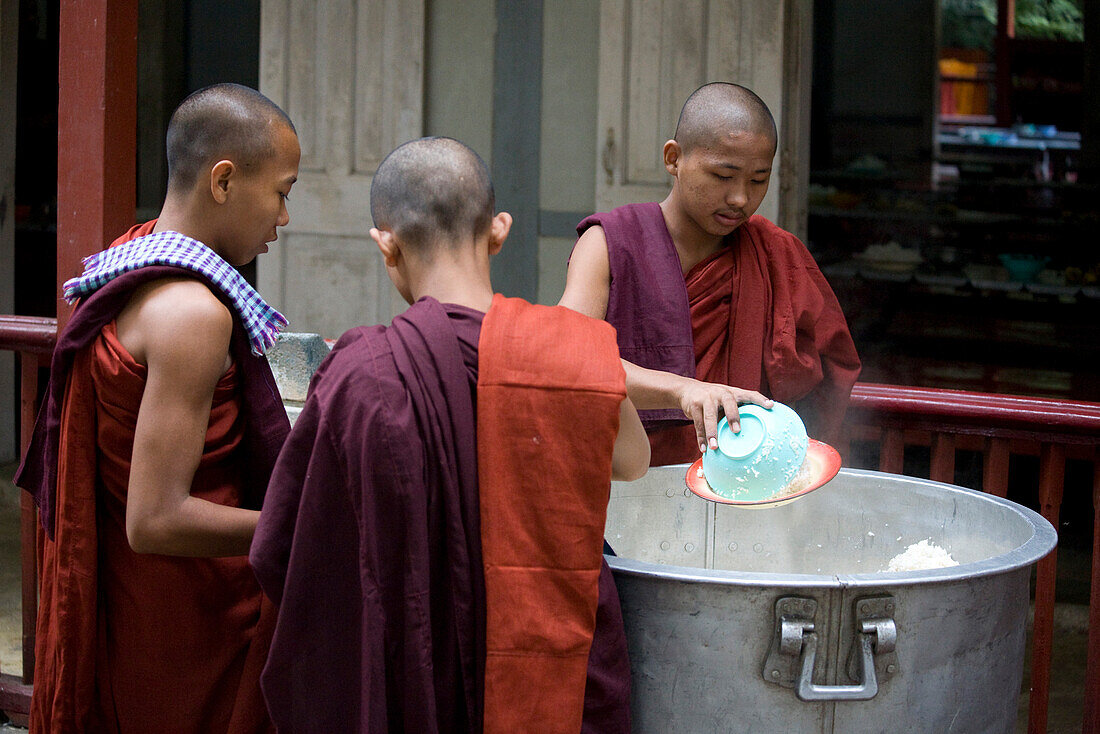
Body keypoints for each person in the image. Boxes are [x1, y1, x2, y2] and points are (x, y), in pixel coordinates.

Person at [250, 136, 649, 733]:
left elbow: (293, 546)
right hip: (557, 679)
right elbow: (633, 461)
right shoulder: (572, 351)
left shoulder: (363, 373)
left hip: (417, 673)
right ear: (500, 230)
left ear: (385, 244)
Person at [16, 83, 300, 733]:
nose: (284, 217)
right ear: (224, 181)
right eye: (282, 192)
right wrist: (299, 520)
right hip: (185, 626)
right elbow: (155, 518)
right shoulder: (192, 313)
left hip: (139, 605)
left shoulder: (130, 255)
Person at [560, 82, 861, 466]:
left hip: (745, 482)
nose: (740, 198)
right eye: (723, 176)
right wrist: (683, 390)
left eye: (758, 180)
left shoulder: (775, 255)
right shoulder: (609, 244)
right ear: (673, 159)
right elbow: (569, 357)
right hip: (625, 480)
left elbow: (828, 382)